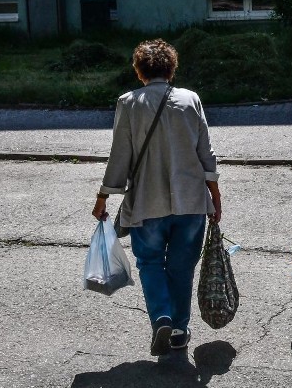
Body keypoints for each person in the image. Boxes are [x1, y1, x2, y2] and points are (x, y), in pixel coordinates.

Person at [91, 39, 222, 357]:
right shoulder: (191, 100)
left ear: (139, 72)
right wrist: (215, 196)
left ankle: (161, 316)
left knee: (150, 262)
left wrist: (104, 197)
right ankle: (179, 330)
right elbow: (206, 152)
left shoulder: (128, 102)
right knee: (181, 267)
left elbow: (119, 156)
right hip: (190, 200)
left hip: (147, 203)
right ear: (172, 69)